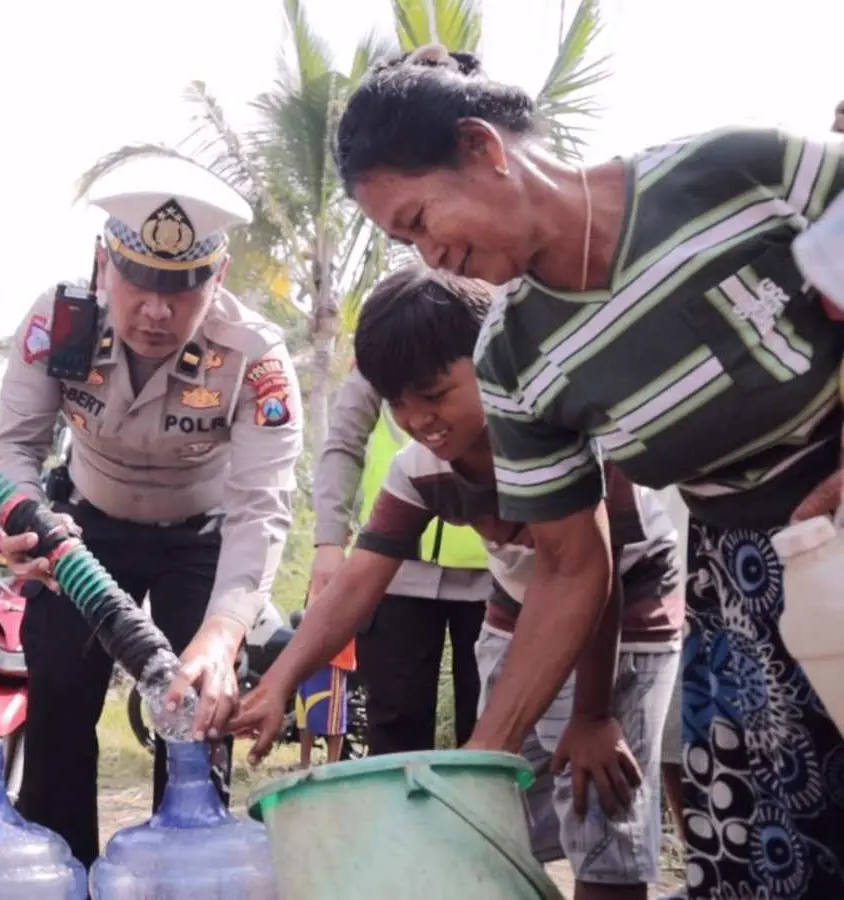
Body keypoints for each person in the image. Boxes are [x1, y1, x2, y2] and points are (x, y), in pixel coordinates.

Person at [333, 44, 844, 899]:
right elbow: (572, 567)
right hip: (745, 584)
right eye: (402, 241)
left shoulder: (734, 172)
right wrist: (478, 761)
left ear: (482, 148)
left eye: (420, 221)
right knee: (768, 866)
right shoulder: (512, 356)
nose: (428, 255)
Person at [232, 265, 684, 900]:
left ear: (493, 362)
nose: (419, 420)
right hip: (520, 602)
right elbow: (359, 583)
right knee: (488, 798)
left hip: (629, 608)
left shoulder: (561, 435)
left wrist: (593, 714)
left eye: (435, 393)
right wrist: (279, 680)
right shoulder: (420, 470)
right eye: (399, 404)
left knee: (599, 806)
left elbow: (596, 577)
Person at [0, 155, 303, 868]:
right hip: (80, 529)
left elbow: (262, 508)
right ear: (102, 265)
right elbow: (14, 449)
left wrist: (222, 636)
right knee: (59, 697)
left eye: (182, 289)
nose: (156, 311)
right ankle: (65, 872)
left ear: (218, 281)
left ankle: (184, 873)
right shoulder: (56, 323)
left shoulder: (255, 356)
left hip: (202, 538)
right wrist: (24, 521)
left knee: (197, 712)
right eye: (139, 282)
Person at [315, 368, 491, 755]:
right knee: (394, 724)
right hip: (393, 569)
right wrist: (328, 541)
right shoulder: (383, 345)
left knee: (490, 720)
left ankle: (485, 815)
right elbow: (344, 442)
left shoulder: (492, 335)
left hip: (495, 570)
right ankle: (396, 816)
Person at [290, 640, 355, 766]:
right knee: (305, 711)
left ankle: (332, 768)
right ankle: (304, 766)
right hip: (309, 655)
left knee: (334, 719)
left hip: (333, 657)